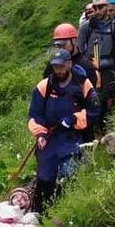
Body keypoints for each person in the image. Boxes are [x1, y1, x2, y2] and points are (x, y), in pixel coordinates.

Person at [27, 49, 98, 213]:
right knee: (45, 177)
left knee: (69, 174)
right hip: (50, 137)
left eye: (61, 66)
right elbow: (34, 116)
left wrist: (74, 119)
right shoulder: (43, 87)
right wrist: (40, 134)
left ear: (69, 64)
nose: (58, 70)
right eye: (55, 67)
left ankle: (68, 211)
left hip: (72, 136)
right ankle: (41, 214)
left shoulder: (82, 84)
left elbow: (93, 110)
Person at [77, 0, 115, 133]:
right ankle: (93, 129)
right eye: (95, 8)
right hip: (91, 69)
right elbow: (79, 48)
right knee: (93, 99)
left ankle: (105, 127)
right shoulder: (86, 26)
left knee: (108, 99)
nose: (97, 10)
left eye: (101, 7)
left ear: (107, 7)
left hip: (109, 69)